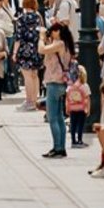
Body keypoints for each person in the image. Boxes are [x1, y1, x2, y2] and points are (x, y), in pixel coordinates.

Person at [38, 21, 75, 159]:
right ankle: (61, 147)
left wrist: (42, 38)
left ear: (58, 31)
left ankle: (57, 147)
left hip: (54, 82)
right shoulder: (64, 44)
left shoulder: (59, 44)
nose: (51, 33)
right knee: (59, 117)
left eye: (52, 31)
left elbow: (41, 50)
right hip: (61, 83)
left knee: (53, 117)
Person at [66, 65, 92, 148]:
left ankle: (73, 141)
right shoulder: (85, 86)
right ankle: (80, 140)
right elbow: (88, 98)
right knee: (81, 125)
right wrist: (88, 109)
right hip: (81, 109)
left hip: (73, 108)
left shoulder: (70, 86)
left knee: (73, 125)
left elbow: (67, 98)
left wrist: (67, 108)